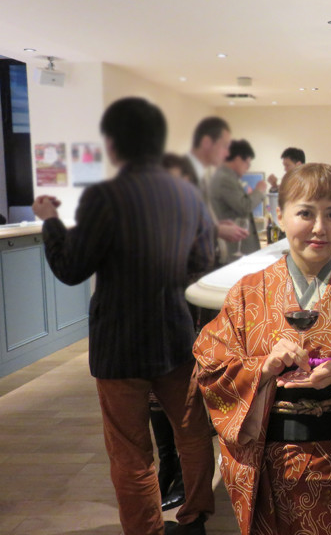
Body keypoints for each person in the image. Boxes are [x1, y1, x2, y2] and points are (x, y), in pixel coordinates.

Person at [32, 97, 217, 535]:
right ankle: (194, 519)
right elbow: (202, 261)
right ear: (157, 142)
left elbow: (71, 267)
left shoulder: (105, 197)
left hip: (119, 345)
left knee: (131, 452)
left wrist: (51, 220)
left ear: (113, 144)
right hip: (173, 337)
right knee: (192, 434)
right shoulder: (187, 196)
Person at [193, 162, 331, 535]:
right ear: (279, 215)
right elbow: (210, 367)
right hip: (269, 467)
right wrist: (262, 368)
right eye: (306, 213)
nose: (320, 227)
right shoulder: (246, 292)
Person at [186, 116, 249, 252]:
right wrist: (217, 230)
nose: (227, 153)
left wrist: (215, 225)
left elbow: (194, 221)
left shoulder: (200, 176)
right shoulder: (183, 173)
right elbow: (178, 226)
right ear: (207, 143)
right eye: (225, 146)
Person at [210, 139, 268, 260]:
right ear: (238, 159)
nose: (247, 169)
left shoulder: (227, 177)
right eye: (247, 164)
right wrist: (259, 190)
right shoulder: (225, 179)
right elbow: (244, 206)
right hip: (234, 247)